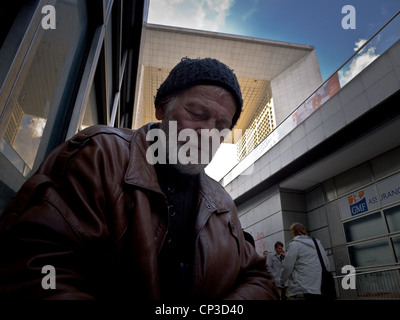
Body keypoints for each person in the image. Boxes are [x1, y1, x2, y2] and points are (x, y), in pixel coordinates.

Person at [0, 57, 278, 300]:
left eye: (221, 126)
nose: (207, 134)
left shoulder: (222, 204)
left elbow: (259, 278)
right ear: (162, 109)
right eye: (197, 114)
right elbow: (34, 266)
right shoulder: (100, 155)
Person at [279, 222, 330, 300]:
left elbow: (288, 266)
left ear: (293, 232)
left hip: (303, 285)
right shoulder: (316, 242)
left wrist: (282, 280)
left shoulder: (295, 244)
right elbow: (326, 262)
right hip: (320, 285)